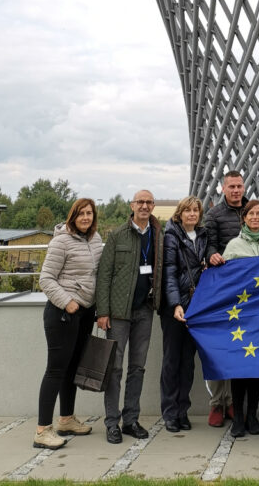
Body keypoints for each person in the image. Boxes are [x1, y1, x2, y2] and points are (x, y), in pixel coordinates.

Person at [35, 198, 102, 450]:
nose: (86, 217)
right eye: (81, 214)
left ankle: (66, 419)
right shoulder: (61, 241)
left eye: (90, 213)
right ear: (72, 216)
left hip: (85, 312)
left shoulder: (94, 240)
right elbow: (46, 279)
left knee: (73, 367)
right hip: (62, 313)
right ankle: (42, 430)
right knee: (56, 369)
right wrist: (67, 302)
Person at [96, 189, 163, 444]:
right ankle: (112, 422)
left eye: (148, 202)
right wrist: (102, 311)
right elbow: (104, 275)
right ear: (132, 206)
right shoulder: (117, 235)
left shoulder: (158, 235)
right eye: (140, 202)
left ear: (153, 206)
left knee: (138, 367)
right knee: (114, 368)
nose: (144, 206)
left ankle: (131, 419)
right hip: (119, 313)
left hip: (144, 310)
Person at [222, 198, 259, 438]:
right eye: (251, 214)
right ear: (244, 218)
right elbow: (225, 278)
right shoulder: (234, 246)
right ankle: (238, 417)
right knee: (241, 366)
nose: (256, 217)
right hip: (242, 314)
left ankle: (252, 415)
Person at [160, 196, 207, 433]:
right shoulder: (172, 236)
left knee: (188, 362)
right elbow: (169, 272)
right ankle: (169, 413)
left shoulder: (202, 236)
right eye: (187, 210)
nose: (191, 214)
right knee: (171, 360)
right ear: (180, 213)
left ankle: (182, 411)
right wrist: (175, 304)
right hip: (175, 307)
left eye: (195, 210)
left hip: (195, 305)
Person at [204, 170, 247, 427]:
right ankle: (217, 403)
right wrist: (212, 255)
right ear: (223, 188)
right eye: (231, 186)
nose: (235, 190)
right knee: (220, 347)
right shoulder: (214, 215)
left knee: (240, 346)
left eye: (239, 186)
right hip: (223, 289)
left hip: (246, 292)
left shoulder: (251, 210)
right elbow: (208, 244)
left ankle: (232, 402)